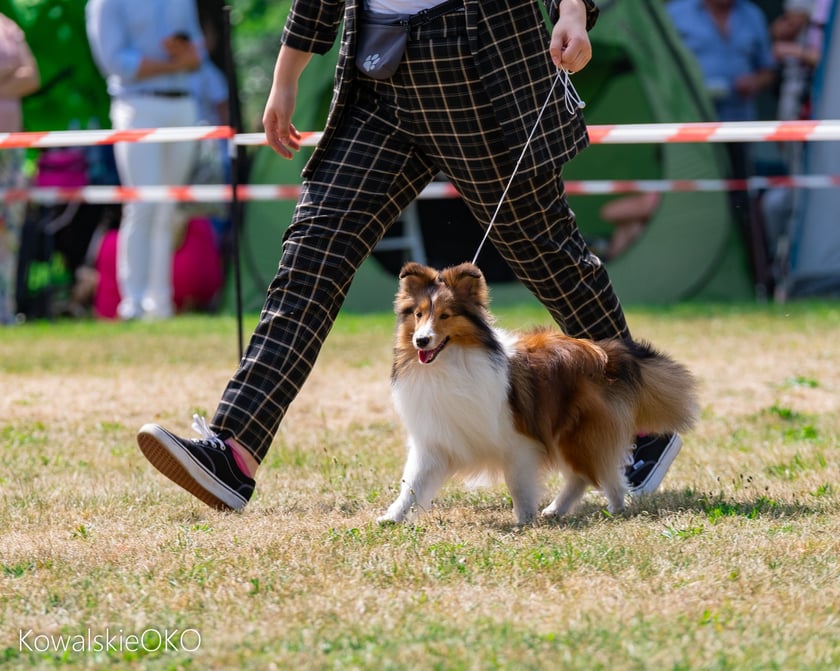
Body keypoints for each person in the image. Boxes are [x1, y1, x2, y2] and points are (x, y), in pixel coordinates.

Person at [136, 0, 684, 512]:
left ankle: (637, 422)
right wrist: (284, 79)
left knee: (546, 253)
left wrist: (571, 9)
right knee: (312, 250)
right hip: (378, 76)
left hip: (479, 65)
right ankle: (233, 450)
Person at [85, 0, 205, 320]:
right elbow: (115, 62)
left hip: (182, 105)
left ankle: (160, 303)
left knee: (168, 208)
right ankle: (132, 303)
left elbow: (198, 52)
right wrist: (173, 63)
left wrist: (186, 55)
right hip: (136, 106)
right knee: (142, 204)